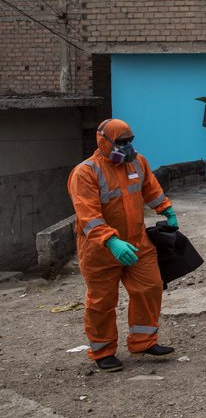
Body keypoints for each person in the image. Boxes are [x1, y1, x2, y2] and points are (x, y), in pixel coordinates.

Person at [67, 118, 178, 372]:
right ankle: (103, 351)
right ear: (103, 142)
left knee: (150, 287)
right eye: (121, 142)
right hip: (100, 249)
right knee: (102, 301)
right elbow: (87, 214)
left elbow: (151, 189)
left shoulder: (137, 162)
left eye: (129, 141)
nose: (126, 147)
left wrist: (166, 209)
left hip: (138, 242)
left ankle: (143, 341)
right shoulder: (86, 172)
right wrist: (110, 240)